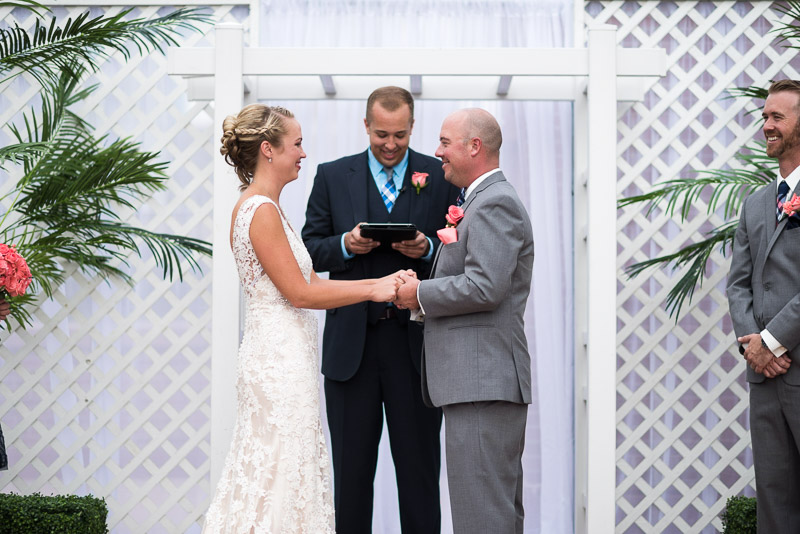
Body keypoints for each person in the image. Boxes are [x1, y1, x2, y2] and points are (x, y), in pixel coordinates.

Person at [202, 104, 402, 534]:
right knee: (279, 470)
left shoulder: (266, 208)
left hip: (286, 353)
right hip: (278, 360)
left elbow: (309, 280)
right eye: (297, 144)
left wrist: (380, 282)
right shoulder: (261, 211)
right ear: (267, 150)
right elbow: (301, 292)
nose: (303, 154)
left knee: (284, 469)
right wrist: (375, 287)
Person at [301, 86, 458, 533]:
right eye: (382, 134)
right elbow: (309, 251)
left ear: (412, 128)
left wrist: (427, 246)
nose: (390, 144)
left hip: (417, 349)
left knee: (420, 477)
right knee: (350, 481)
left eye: (401, 135)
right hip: (353, 350)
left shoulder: (440, 174)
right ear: (365, 125)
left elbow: (462, 252)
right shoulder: (333, 176)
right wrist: (345, 245)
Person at [395, 108, 534, 534]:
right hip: (478, 383)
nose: (436, 152)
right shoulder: (479, 201)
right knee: (491, 514)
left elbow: (485, 286)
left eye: (444, 142)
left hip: (482, 382)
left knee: (482, 518)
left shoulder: (494, 203)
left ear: (475, 146)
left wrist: (417, 293)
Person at [727, 79, 800, 533]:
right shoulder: (755, 203)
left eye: (778, 117)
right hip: (766, 377)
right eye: (764, 118)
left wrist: (772, 341)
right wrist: (754, 346)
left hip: (795, 361)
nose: (767, 126)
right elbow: (737, 284)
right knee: (774, 500)